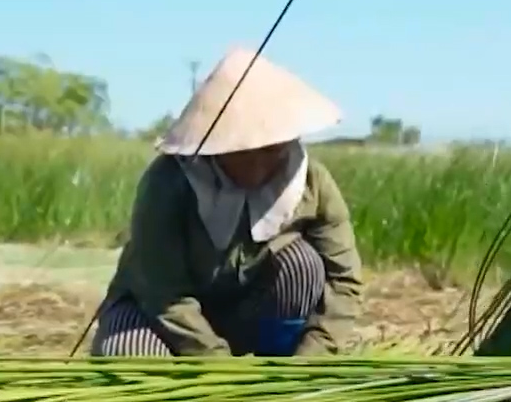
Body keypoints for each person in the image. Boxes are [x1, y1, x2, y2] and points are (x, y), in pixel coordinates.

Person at [90, 46, 365, 358]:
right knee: (130, 356)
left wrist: (311, 359)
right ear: (215, 146)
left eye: (271, 152)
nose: (258, 168)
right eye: (244, 153)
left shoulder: (312, 182)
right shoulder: (169, 182)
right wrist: (218, 363)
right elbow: (162, 293)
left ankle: (274, 377)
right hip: (159, 315)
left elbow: (344, 281)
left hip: (246, 316)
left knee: (301, 265)